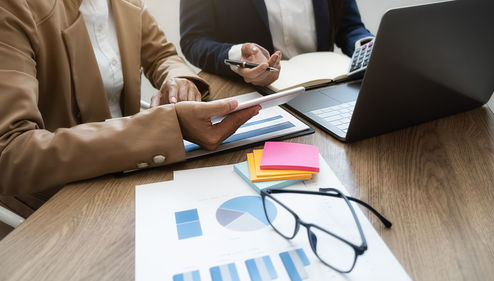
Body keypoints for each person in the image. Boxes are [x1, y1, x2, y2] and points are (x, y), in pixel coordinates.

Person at [0, 0, 260, 217]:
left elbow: (161, 55)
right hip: (59, 201)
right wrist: (161, 127)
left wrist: (180, 81)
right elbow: (11, 151)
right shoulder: (13, 9)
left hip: (128, 173)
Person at [180, 0, 374, 86]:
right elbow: (194, 39)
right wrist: (238, 57)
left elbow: (349, 26)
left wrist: (368, 47)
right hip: (250, 94)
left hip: (326, 87)